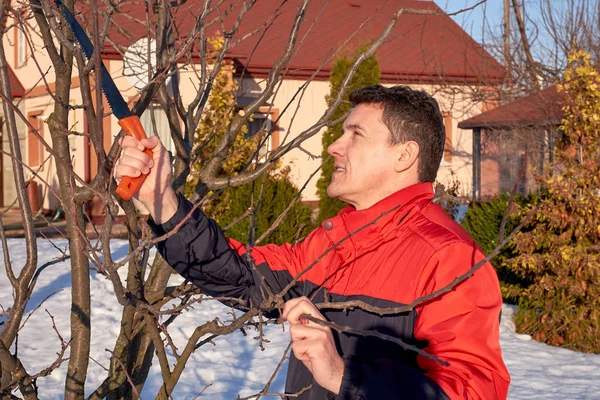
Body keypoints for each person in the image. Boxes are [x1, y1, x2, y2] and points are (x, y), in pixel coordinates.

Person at [115, 85, 510, 399]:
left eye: (356, 134)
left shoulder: (449, 257)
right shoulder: (336, 242)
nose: (335, 146)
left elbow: (474, 391)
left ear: (405, 155)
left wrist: (343, 376)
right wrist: (161, 200)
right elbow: (239, 276)